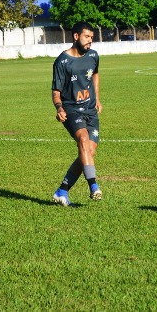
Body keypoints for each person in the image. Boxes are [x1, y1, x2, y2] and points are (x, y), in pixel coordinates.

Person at [51, 21, 103, 206]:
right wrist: (59, 108)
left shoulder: (94, 56)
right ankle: (93, 186)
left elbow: (95, 74)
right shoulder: (62, 61)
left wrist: (96, 98)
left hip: (90, 109)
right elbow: (56, 92)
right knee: (82, 138)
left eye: (92, 38)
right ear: (75, 36)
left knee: (89, 151)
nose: (90, 41)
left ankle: (62, 190)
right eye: (87, 37)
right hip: (71, 109)